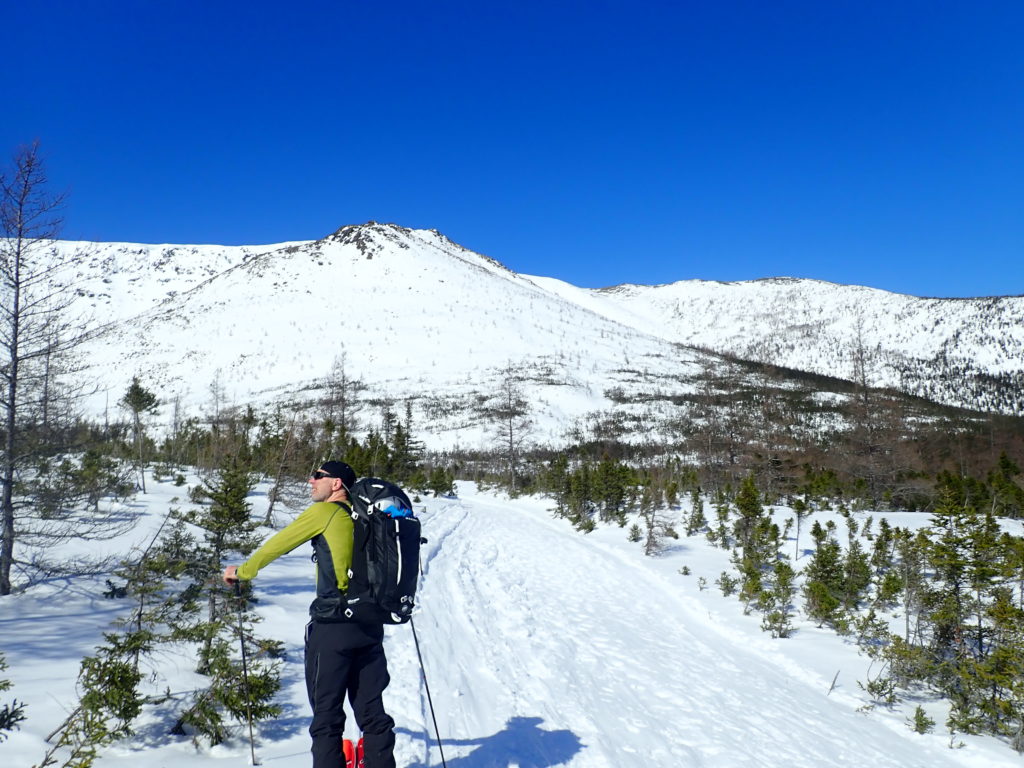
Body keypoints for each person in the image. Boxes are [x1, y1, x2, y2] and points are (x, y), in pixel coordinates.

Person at [223, 460, 397, 768]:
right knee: (373, 714)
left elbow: (277, 545)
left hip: (333, 629)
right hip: (370, 625)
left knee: (327, 718)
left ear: (336, 484)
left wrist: (243, 571)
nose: (310, 480)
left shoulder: (324, 513)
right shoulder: (369, 520)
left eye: (319, 476)